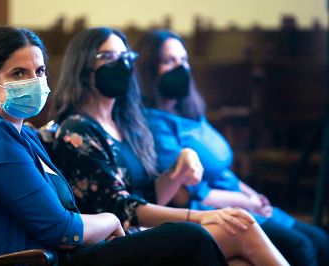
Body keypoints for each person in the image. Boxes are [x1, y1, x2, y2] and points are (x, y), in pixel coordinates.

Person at [0, 25, 233, 266]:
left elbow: (62, 213)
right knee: (191, 238)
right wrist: (108, 221)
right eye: (19, 74)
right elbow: (60, 229)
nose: (34, 82)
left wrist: (98, 226)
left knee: (203, 243)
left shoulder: (17, 131)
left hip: (59, 253)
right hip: (37, 259)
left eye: (40, 70)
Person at [49, 26, 289, 266]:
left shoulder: (127, 123)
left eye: (125, 58)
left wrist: (179, 169)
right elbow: (121, 208)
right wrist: (202, 216)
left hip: (143, 231)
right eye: (108, 57)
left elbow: (150, 196)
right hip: (115, 242)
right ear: (82, 66)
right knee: (241, 228)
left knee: (241, 262)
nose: (120, 65)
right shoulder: (77, 130)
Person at [135, 29, 329, 266]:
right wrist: (246, 202)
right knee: (302, 245)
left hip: (240, 199)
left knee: (321, 239)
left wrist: (251, 194)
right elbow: (186, 194)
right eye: (169, 61)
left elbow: (222, 170)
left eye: (183, 60)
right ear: (148, 70)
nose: (180, 67)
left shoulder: (190, 112)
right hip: (215, 210)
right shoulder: (154, 123)